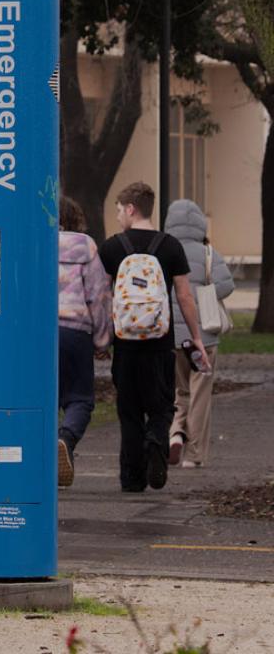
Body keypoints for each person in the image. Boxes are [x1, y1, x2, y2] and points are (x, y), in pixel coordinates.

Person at [98, 182, 209, 493]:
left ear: (131, 209)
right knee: (161, 407)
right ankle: (156, 443)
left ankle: (132, 478)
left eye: (119, 210)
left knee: (129, 410)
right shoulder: (171, 246)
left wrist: (102, 337)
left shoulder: (112, 247)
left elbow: (101, 297)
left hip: (126, 346)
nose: (118, 216)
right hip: (160, 344)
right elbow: (185, 297)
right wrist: (196, 337)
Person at [164, 199, 235, 469]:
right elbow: (227, 285)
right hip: (203, 336)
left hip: (172, 337)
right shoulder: (208, 254)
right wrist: (203, 294)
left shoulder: (166, 250)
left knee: (177, 391)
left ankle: (174, 435)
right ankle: (194, 455)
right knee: (200, 393)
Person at [56, 196, 112, 488]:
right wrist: (102, 340)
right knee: (80, 398)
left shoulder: (34, 241)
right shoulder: (86, 246)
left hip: (38, 334)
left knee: (42, 398)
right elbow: (98, 295)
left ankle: (41, 458)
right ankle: (65, 439)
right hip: (76, 331)